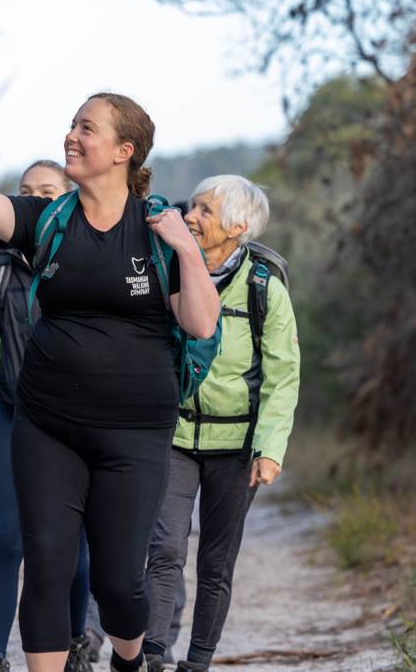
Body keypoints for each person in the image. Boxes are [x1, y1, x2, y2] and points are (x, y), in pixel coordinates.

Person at [0, 78, 220, 672]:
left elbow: (199, 323)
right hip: (48, 422)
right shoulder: (49, 220)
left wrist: (188, 250)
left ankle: (128, 658)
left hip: (134, 433)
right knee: (46, 562)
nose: (72, 134)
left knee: (118, 581)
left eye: (87, 127)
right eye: (73, 123)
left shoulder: (159, 228)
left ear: (124, 151)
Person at [142, 175, 300, 672]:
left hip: (237, 447)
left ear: (238, 226)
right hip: (174, 437)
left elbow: (283, 375)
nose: (191, 216)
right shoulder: (170, 271)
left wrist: (270, 449)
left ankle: (198, 662)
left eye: (205, 211)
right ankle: (152, 654)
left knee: (215, 562)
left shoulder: (263, 287)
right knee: (164, 548)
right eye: (194, 207)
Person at [0, 160, 97, 672]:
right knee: (8, 540)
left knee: (72, 545)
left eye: (48, 191)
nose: (36, 200)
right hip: (14, 418)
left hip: (77, 426)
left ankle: (77, 641)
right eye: (26, 192)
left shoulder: (87, 256)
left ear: (69, 197)